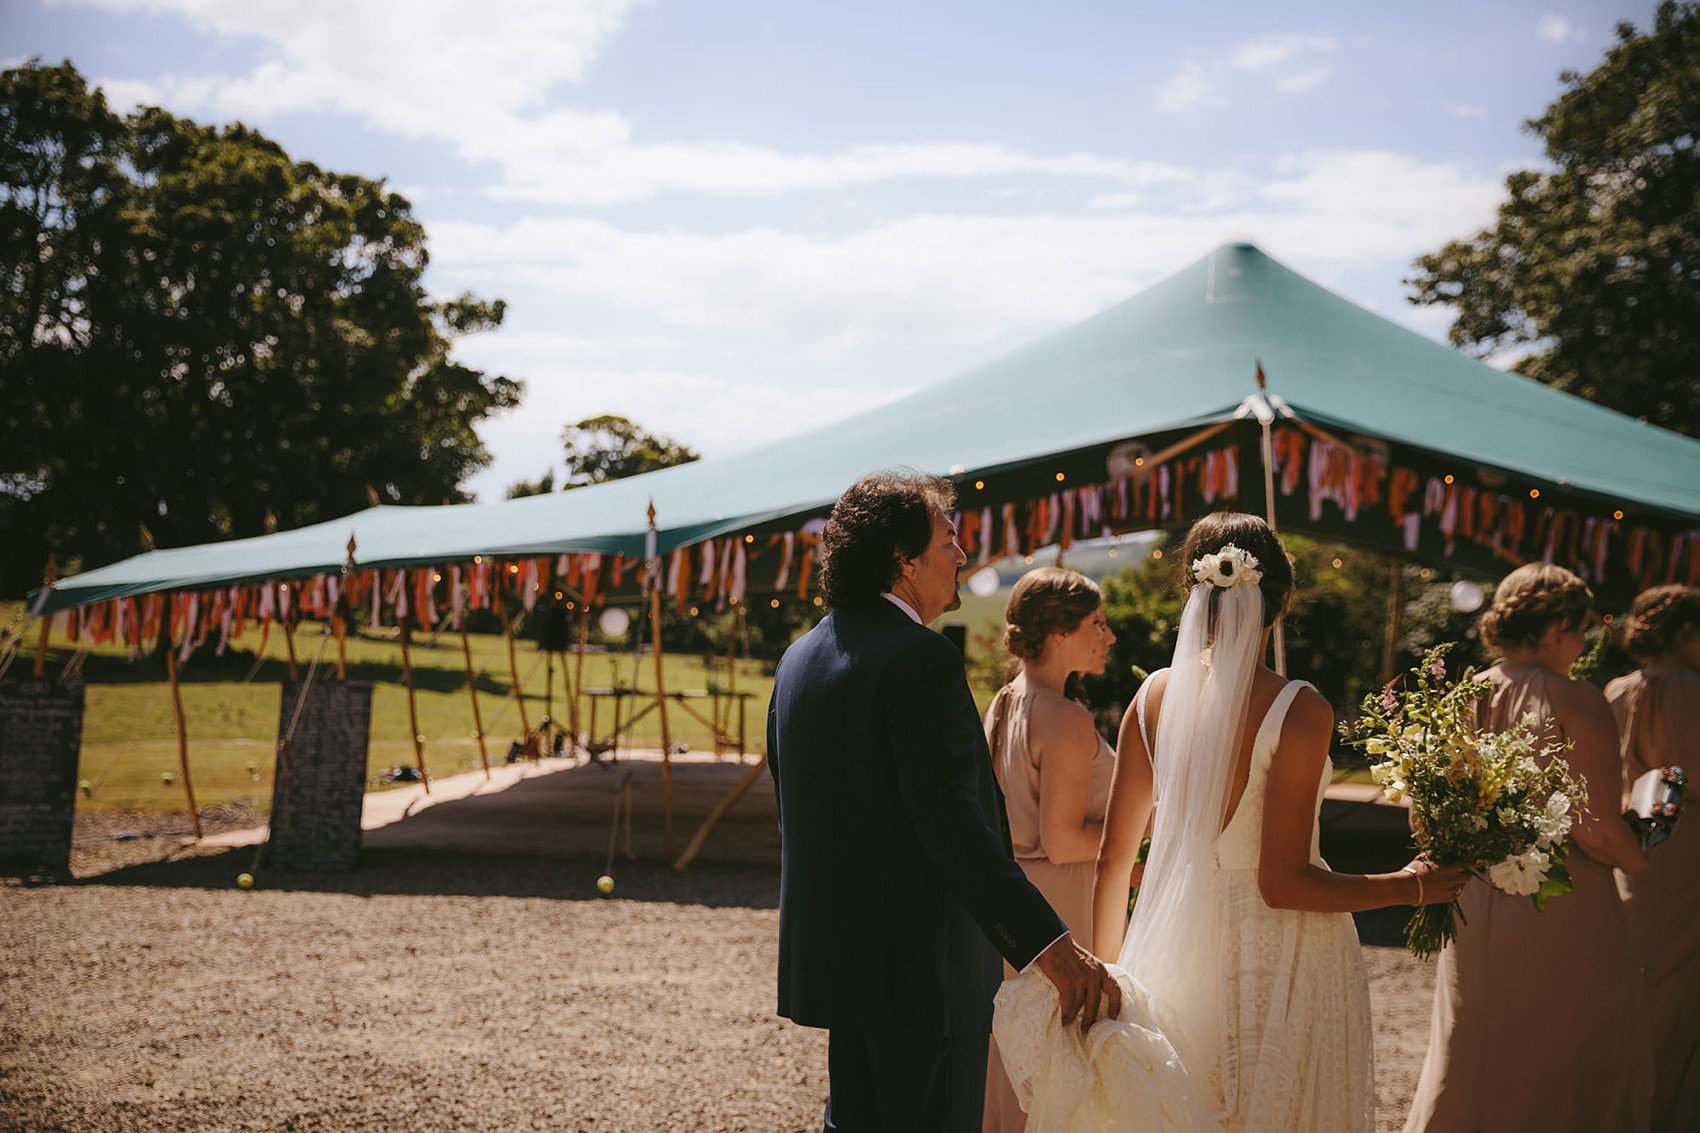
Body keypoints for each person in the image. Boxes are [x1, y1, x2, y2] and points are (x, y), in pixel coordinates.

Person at [1087, 511, 1467, 1132]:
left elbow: (1112, 861)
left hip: (1169, 951)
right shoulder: (1300, 708)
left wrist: (1109, 980)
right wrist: (1412, 885)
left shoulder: (1151, 696)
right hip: (1282, 965)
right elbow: (1282, 884)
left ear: (1194, 593)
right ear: (1283, 598)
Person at [767, 469, 1121, 1132]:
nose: (962, 554)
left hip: (843, 963)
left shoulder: (800, 657)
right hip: (922, 974)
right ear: (903, 560)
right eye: (949, 538)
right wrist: (1051, 944)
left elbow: (799, 814)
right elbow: (954, 825)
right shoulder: (920, 658)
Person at [1405, 563, 1652, 1133]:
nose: (1585, 641)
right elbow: (1597, 831)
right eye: (1583, 628)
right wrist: (1642, 855)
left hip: (1472, 903)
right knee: (1567, 1052)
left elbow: (1422, 819)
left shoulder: (1458, 698)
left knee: (1471, 1051)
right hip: (1560, 907)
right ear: (1561, 622)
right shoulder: (1578, 699)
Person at [981, 568, 1118, 1132]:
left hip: (1014, 903)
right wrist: (1139, 851)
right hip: (1059, 905)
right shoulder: (1064, 717)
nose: (1108, 637)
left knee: (1013, 1066)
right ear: (1060, 635)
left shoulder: (1005, 701)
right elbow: (1063, 841)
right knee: (1052, 1069)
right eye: (1097, 624)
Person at [1607, 584, 1700, 1132]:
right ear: (1687, 631)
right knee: (1679, 988)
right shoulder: (1692, 690)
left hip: (1635, 845)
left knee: (1638, 973)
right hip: (1690, 847)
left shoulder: (1619, 689)